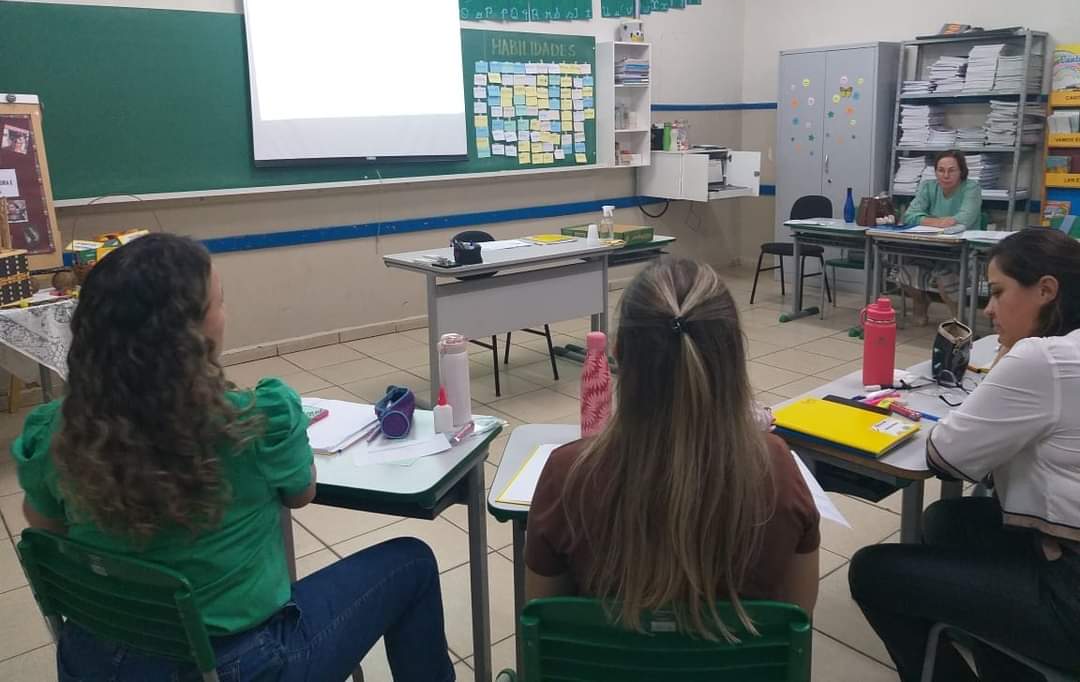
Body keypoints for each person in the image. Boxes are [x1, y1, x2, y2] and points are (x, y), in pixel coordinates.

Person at [12, 233, 455, 682]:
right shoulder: (255, 422)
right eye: (219, 302)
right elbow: (301, 493)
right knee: (411, 562)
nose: (226, 314)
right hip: (240, 667)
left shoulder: (56, 432)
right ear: (190, 332)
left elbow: (47, 529)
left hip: (93, 663)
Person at [525, 256, 820, 640]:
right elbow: (797, 622)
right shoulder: (776, 468)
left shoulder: (568, 474)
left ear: (617, 353)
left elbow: (544, 626)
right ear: (734, 356)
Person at [849, 227, 1080, 682]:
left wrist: (1004, 366)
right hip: (1062, 545)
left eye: (998, 293)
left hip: (1070, 595)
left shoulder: (1041, 358)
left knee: (872, 570)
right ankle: (998, 645)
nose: (989, 310)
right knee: (947, 519)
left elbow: (944, 456)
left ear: (1047, 290)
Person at [897, 150, 983, 324]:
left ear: (961, 172)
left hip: (962, 252)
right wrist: (937, 222)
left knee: (944, 277)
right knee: (904, 273)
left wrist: (925, 220)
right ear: (935, 171)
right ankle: (921, 302)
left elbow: (963, 219)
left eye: (952, 170)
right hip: (930, 248)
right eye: (941, 170)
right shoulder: (928, 186)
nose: (946, 175)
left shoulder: (971, 188)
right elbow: (909, 216)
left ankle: (959, 320)